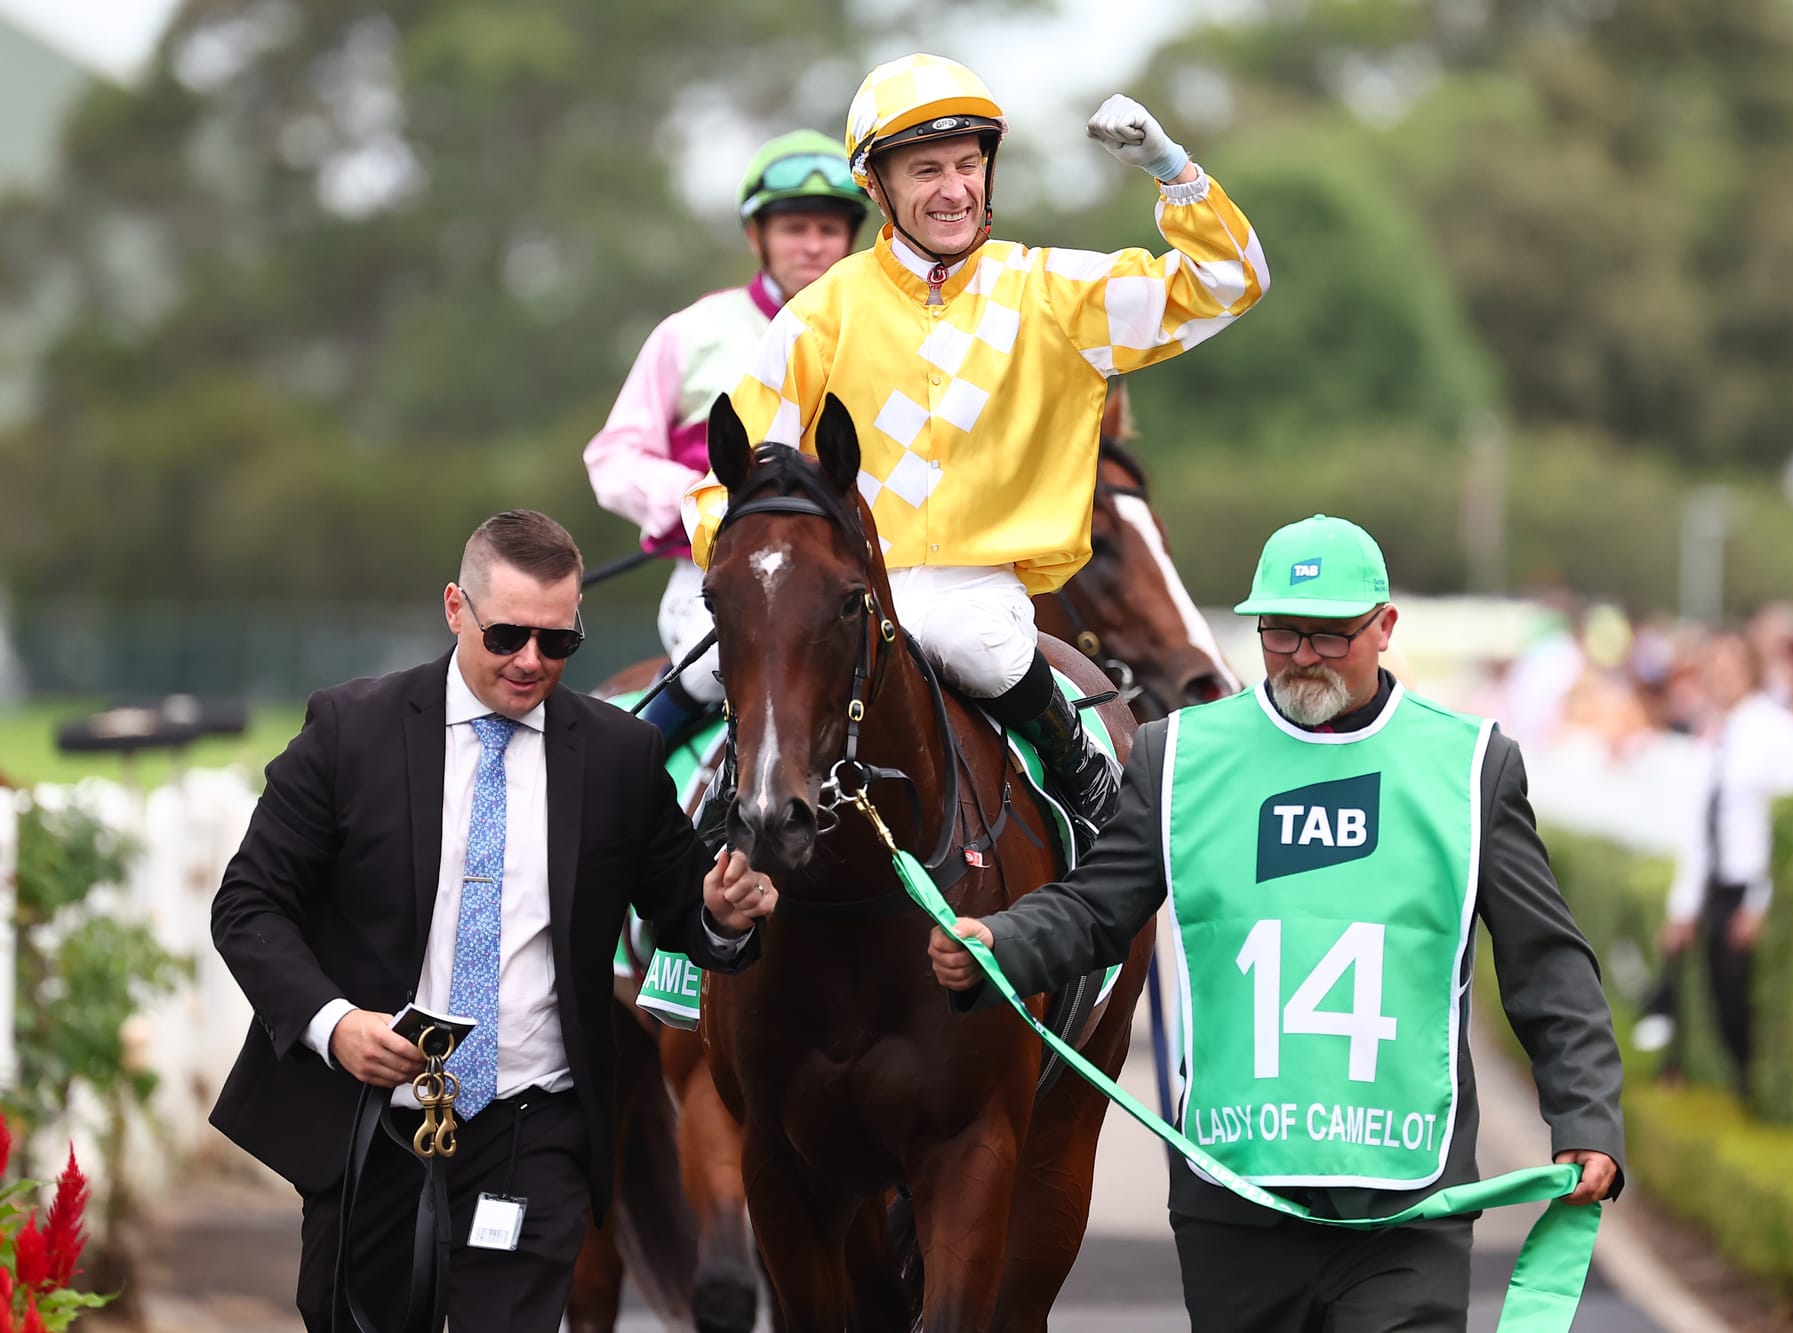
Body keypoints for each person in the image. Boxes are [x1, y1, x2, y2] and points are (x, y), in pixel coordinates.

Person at [928, 514, 1623, 1332]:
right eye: (1282, 633)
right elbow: (1096, 907)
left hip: (1407, 1206)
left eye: (1330, 635)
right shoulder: (1178, 755)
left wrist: (1585, 1114)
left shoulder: (1473, 765)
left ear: (1385, 626)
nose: (1303, 656)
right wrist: (1001, 943)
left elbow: (1549, 961)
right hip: (1237, 1202)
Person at [208, 510, 781, 1333]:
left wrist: (720, 912)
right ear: (455, 608)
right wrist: (336, 1026)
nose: (530, 661)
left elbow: (685, 906)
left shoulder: (620, 757)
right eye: (508, 634)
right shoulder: (348, 730)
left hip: (532, 1127)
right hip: (373, 1124)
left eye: (558, 643)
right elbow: (249, 904)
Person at [685, 53, 1269, 844]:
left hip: (977, 589)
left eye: (968, 164)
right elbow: (737, 483)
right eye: (926, 169)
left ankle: (1090, 784)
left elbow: (1232, 282)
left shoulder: (1054, 295)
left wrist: (1171, 171)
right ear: (877, 185)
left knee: (978, 643)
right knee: (701, 669)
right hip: (844, 590)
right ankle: (691, 863)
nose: (955, 189)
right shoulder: (818, 319)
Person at [585, 131, 871, 745]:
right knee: (716, 670)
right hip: (720, 574)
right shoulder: (691, 334)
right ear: (756, 236)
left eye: (829, 229)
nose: (814, 245)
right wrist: (702, 498)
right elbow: (612, 457)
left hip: (858, 574)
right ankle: (619, 783)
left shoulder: (886, 337)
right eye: (795, 228)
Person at [1660, 631, 1793, 1091]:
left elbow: (1787, 824)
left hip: (1752, 889)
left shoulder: (1778, 732)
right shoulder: (1714, 734)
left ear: (1751, 670)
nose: (1721, 677)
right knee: (1718, 1002)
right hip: (1717, 888)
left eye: (1731, 666)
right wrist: (1683, 907)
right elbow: (1698, 829)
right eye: (1714, 667)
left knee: (1746, 1006)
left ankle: (1761, 1093)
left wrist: (1760, 901)